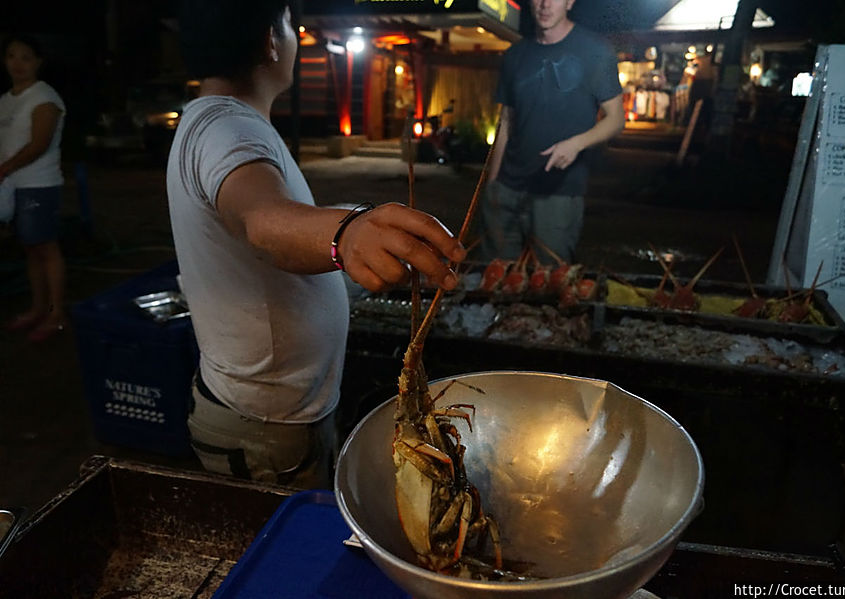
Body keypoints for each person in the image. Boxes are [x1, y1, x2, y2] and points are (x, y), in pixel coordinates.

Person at [169, 0, 466, 489]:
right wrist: (347, 233)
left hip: (275, 413)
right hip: (266, 425)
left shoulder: (216, 121)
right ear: (269, 41)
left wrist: (351, 220)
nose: (297, 37)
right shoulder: (226, 128)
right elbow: (263, 220)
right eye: (291, 25)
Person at [480, 0, 624, 264]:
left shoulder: (594, 51)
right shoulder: (515, 55)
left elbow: (616, 119)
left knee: (548, 281)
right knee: (496, 277)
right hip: (507, 188)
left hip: (559, 191)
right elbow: (506, 121)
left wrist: (577, 144)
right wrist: (492, 183)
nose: (545, 5)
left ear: (570, 2)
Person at [0, 34, 67, 342]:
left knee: (46, 248)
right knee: (30, 249)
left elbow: (38, 144)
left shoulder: (45, 98)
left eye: (26, 57)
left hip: (39, 184)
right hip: (13, 185)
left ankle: (56, 315)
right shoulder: (6, 99)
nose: (18, 64)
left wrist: (5, 168)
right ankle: (37, 308)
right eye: (12, 56)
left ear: (38, 62)